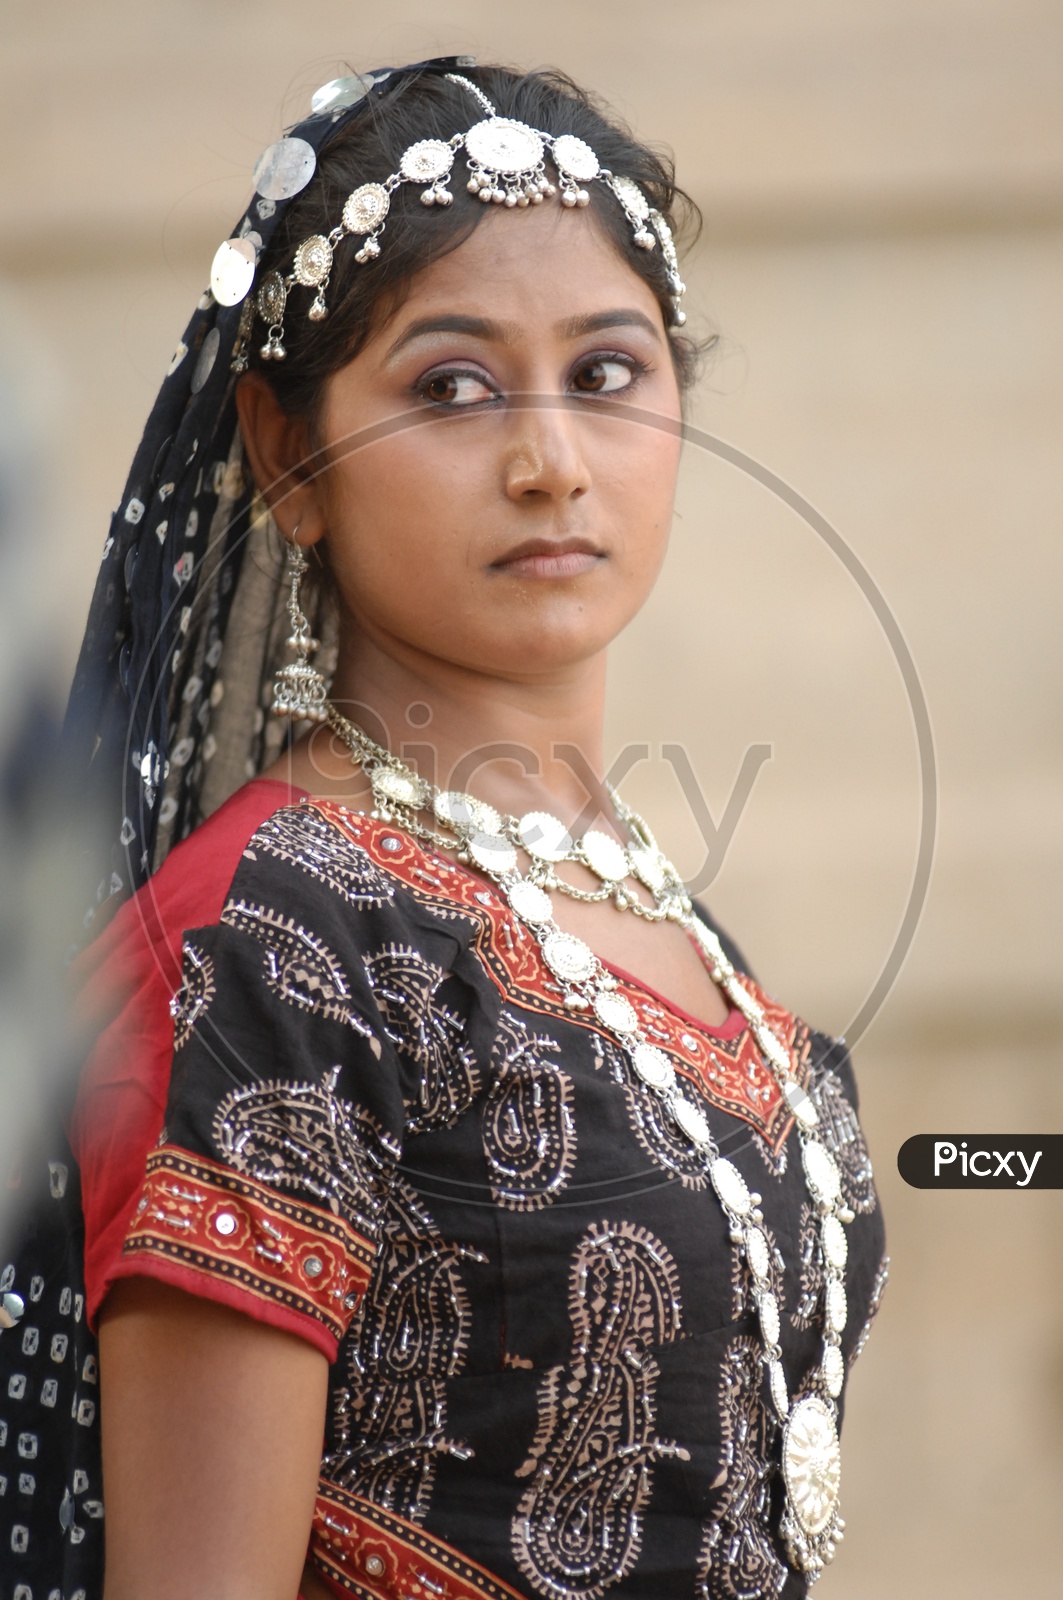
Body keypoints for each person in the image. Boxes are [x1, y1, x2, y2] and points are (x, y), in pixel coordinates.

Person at [0, 59, 888, 1600]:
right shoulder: (269, 947)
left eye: (606, 373)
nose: (550, 461)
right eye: (453, 387)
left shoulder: (667, 927)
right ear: (290, 457)